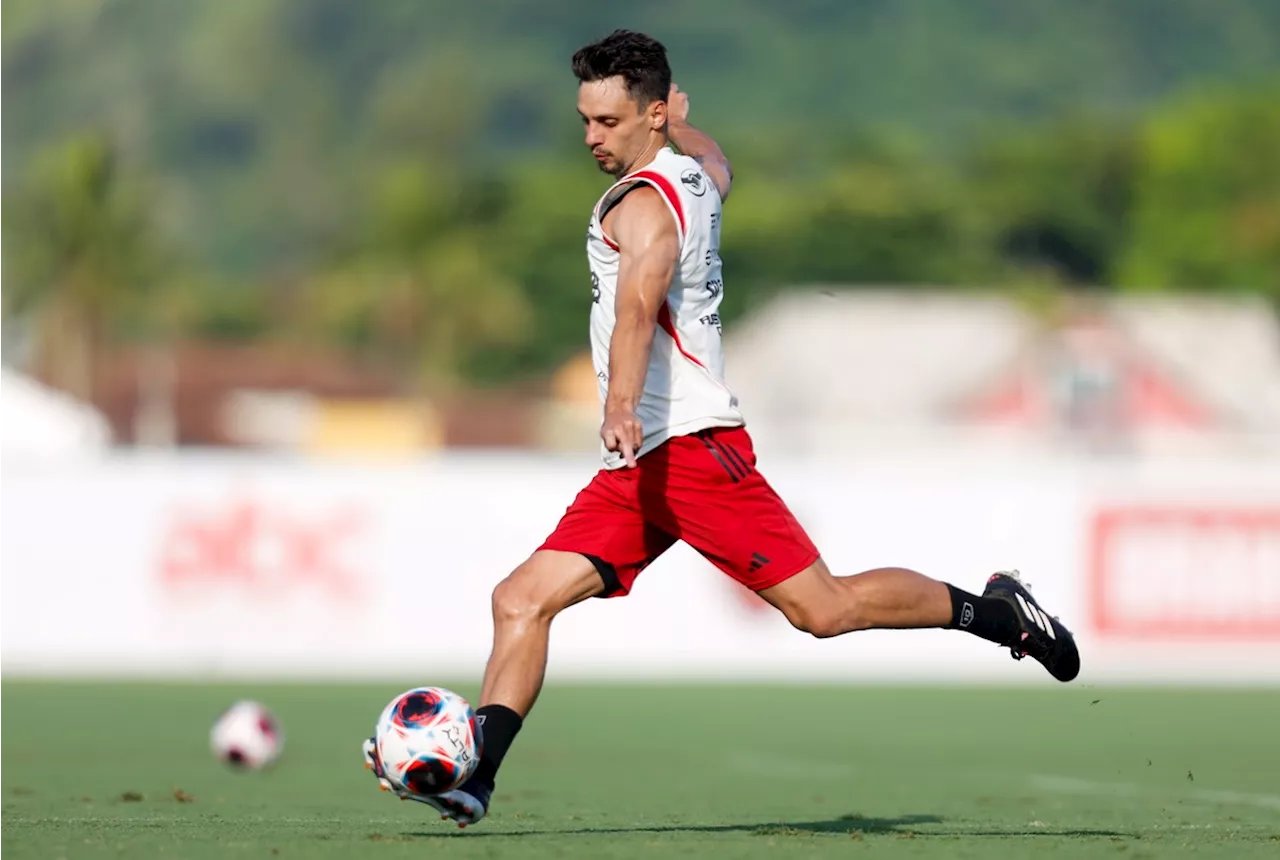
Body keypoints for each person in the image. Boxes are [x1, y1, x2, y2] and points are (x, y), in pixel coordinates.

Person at [363, 28, 1080, 828]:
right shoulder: (694, 176)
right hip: (645, 466)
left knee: (825, 610)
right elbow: (719, 161)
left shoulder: (640, 207)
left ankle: (999, 613)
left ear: (653, 114)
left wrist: (619, 403)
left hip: (688, 449)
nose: (593, 138)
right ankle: (478, 778)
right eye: (585, 121)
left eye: (609, 122)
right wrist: (687, 123)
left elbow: (639, 306)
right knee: (521, 599)